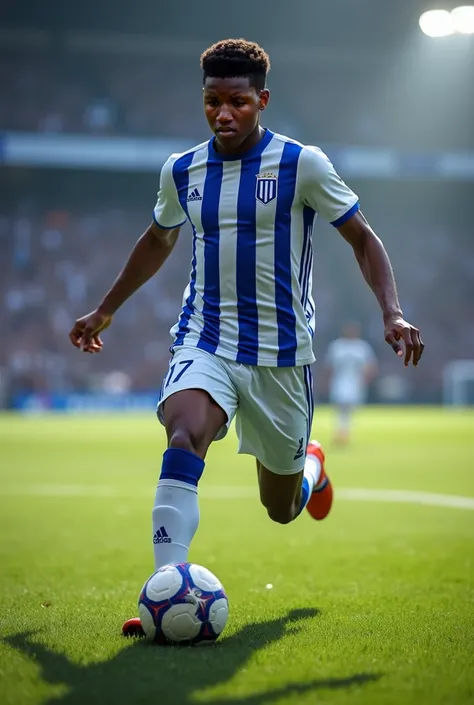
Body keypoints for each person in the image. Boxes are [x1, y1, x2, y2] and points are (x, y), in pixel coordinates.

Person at [68, 39, 424, 636]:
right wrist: (105, 309)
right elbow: (158, 240)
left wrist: (391, 312)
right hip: (205, 339)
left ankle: (311, 466)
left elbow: (363, 238)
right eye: (212, 102)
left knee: (280, 510)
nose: (223, 114)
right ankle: (164, 588)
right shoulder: (182, 170)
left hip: (283, 358)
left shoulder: (301, 164)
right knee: (183, 431)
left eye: (237, 101)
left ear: (262, 100)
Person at [324, 322, 378, 445]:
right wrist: (326, 382)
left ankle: (343, 432)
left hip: (356, 382)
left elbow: (370, 366)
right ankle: (342, 433)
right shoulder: (337, 346)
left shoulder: (362, 347)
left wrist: (366, 379)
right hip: (339, 381)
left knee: (349, 409)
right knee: (341, 407)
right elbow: (329, 366)